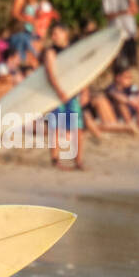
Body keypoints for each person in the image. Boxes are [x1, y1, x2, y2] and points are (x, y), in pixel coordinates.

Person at [42, 24, 85, 169]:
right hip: (56, 94)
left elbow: (82, 71)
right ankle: (55, 159)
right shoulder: (51, 51)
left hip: (73, 92)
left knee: (77, 126)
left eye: (56, 33)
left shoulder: (73, 49)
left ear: (65, 33)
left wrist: (85, 90)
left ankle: (78, 161)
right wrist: (59, 90)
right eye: (52, 33)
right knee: (56, 126)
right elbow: (50, 73)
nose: (53, 36)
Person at [102, 0, 139, 66]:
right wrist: (122, 12)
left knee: (132, 62)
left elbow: (136, 11)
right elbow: (107, 15)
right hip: (116, 33)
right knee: (120, 63)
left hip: (130, 32)